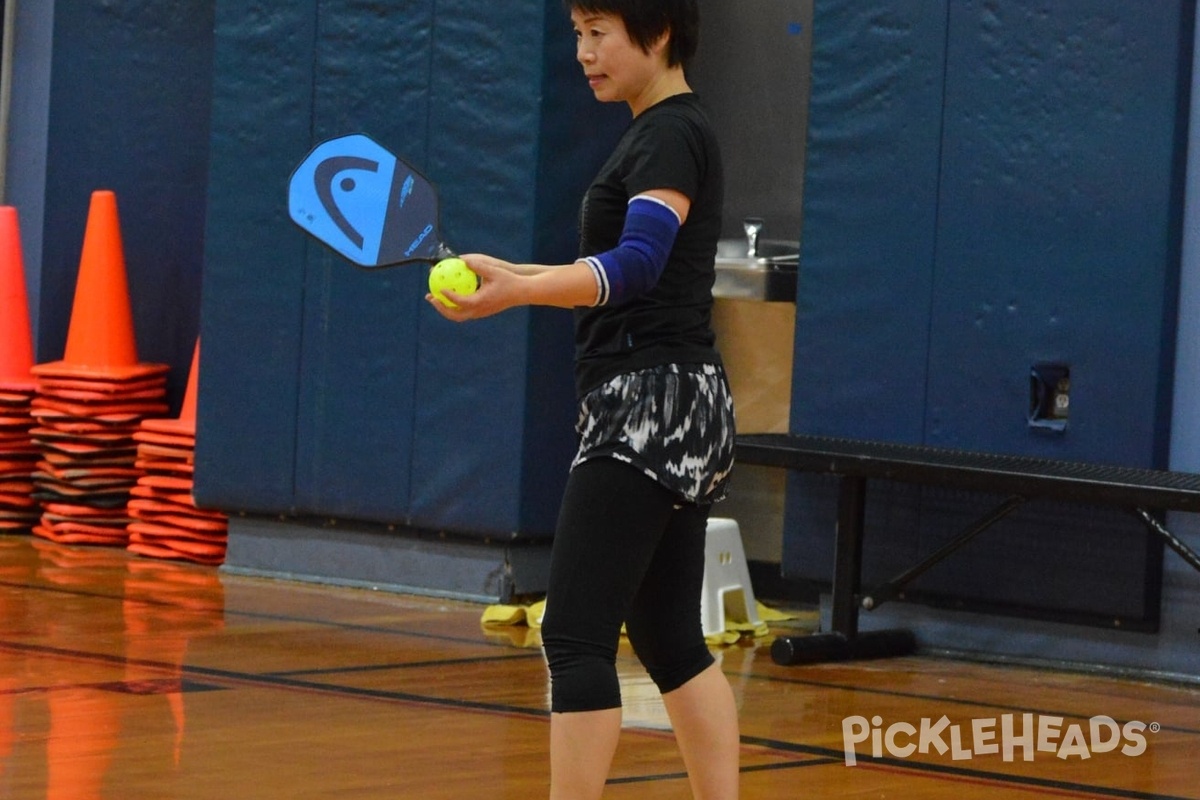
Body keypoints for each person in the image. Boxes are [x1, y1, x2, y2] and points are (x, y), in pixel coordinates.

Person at [427, 1, 739, 797]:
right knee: (670, 638)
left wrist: (518, 296)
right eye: (576, 33)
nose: (582, 53)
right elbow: (624, 277)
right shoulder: (661, 130)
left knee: (572, 635)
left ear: (658, 31)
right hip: (685, 401)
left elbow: (633, 268)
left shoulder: (669, 132)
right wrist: (517, 275)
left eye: (599, 32)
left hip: (647, 405)